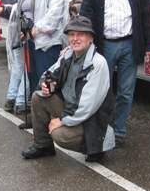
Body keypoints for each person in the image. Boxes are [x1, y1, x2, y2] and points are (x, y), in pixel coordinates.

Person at [79, 0, 150, 149]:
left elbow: (148, 17)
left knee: (125, 93)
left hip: (130, 45)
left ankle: (119, 131)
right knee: (101, 91)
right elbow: (85, 20)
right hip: (105, 46)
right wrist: (82, 46)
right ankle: (101, 131)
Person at [21, 16, 115, 162]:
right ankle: (43, 146)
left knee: (60, 135)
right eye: (71, 34)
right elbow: (49, 74)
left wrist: (61, 120)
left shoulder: (98, 63)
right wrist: (47, 85)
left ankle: (95, 148)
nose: (75, 38)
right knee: (38, 97)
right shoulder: (68, 55)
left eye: (80, 34)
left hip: (91, 121)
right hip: (72, 110)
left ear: (90, 38)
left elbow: (86, 106)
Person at [0, 0, 69, 115]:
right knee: (34, 79)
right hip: (31, 41)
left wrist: (34, 30)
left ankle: (53, 117)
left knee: (47, 81)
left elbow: (55, 14)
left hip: (47, 44)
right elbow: (20, 8)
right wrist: (5, 9)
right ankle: (39, 119)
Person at [1, 0, 27, 112]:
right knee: (27, 65)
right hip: (25, 27)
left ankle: (11, 98)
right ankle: (21, 101)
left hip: (13, 23)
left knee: (18, 63)